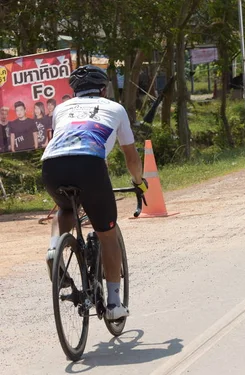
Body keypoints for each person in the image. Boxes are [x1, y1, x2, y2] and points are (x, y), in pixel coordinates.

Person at [41, 65, 148, 321]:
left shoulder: (61, 109)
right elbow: (131, 157)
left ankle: (54, 248)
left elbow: (66, 141)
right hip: (89, 165)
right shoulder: (116, 108)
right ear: (103, 89)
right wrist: (139, 182)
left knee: (66, 209)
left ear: (75, 91)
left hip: (52, 165)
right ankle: (113, 305)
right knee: (107, 234)